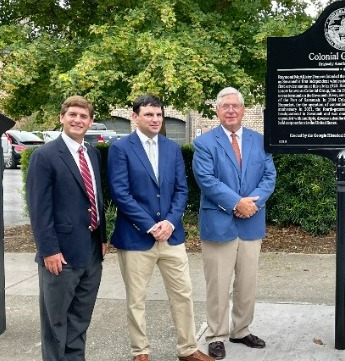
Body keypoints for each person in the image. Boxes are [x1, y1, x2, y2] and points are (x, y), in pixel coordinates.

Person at [108, 94, 214, 361]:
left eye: (159, 115)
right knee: (136, 300)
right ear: (135, 117)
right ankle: (140, 352)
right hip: (135, 237)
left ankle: (188, 349)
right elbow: (120, 193)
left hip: (171, 236)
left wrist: (169, 222)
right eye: (149, 115)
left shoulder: (172, 148)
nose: (155, 120)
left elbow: (181, 189)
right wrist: (149, 225)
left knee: (183, 294)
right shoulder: (121, 149)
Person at [192, 87, 277, 360]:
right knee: (218, 284)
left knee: (247, 283)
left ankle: (241, 330)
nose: (230, 111)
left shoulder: (260, 141)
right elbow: (206, 180)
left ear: (243, 110)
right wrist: (236, 203)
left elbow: (269, 177)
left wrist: (253, 203)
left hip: (251, 222)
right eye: (225, 106)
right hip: (219, 224)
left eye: (235, 106)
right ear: (217, 110)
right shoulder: (205, 143)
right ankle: (216, 334)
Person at [26, 95, 108, 361]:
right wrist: (49, 250)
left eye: (84, 116)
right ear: (62, 117)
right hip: (60, 256)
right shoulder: (45, 156)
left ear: (91, 122)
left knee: (79, 320)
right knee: (55, 323)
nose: (78, 120)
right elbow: (39, 210)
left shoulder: (93, 154)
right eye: (72, 114)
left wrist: (102, 237)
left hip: (91, 253)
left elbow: (96, 198)